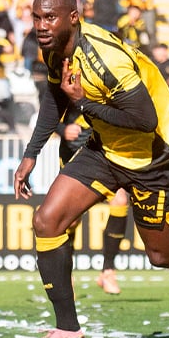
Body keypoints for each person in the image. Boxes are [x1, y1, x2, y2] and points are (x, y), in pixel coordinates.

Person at [14, 0, 169, 338]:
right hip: (105, 150)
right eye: (36, 17)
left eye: (49, 17)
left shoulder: (106, 58)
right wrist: (31, 153)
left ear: (73, 17)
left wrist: (83, 102)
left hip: (153, 156)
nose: (41, 25)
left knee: (162, 253)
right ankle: (68, 332)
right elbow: (55, 98)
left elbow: (144, 120)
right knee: (47, 220)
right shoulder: (54, 47)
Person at [57, 104, 130, 295]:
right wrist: (62, 129)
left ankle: (108, 271)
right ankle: (66, 274)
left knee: (120, 201)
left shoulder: (110, 84)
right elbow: (46, 115)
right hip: (73, 156)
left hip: (102, 155)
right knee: (71, 220)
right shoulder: (67, 82)